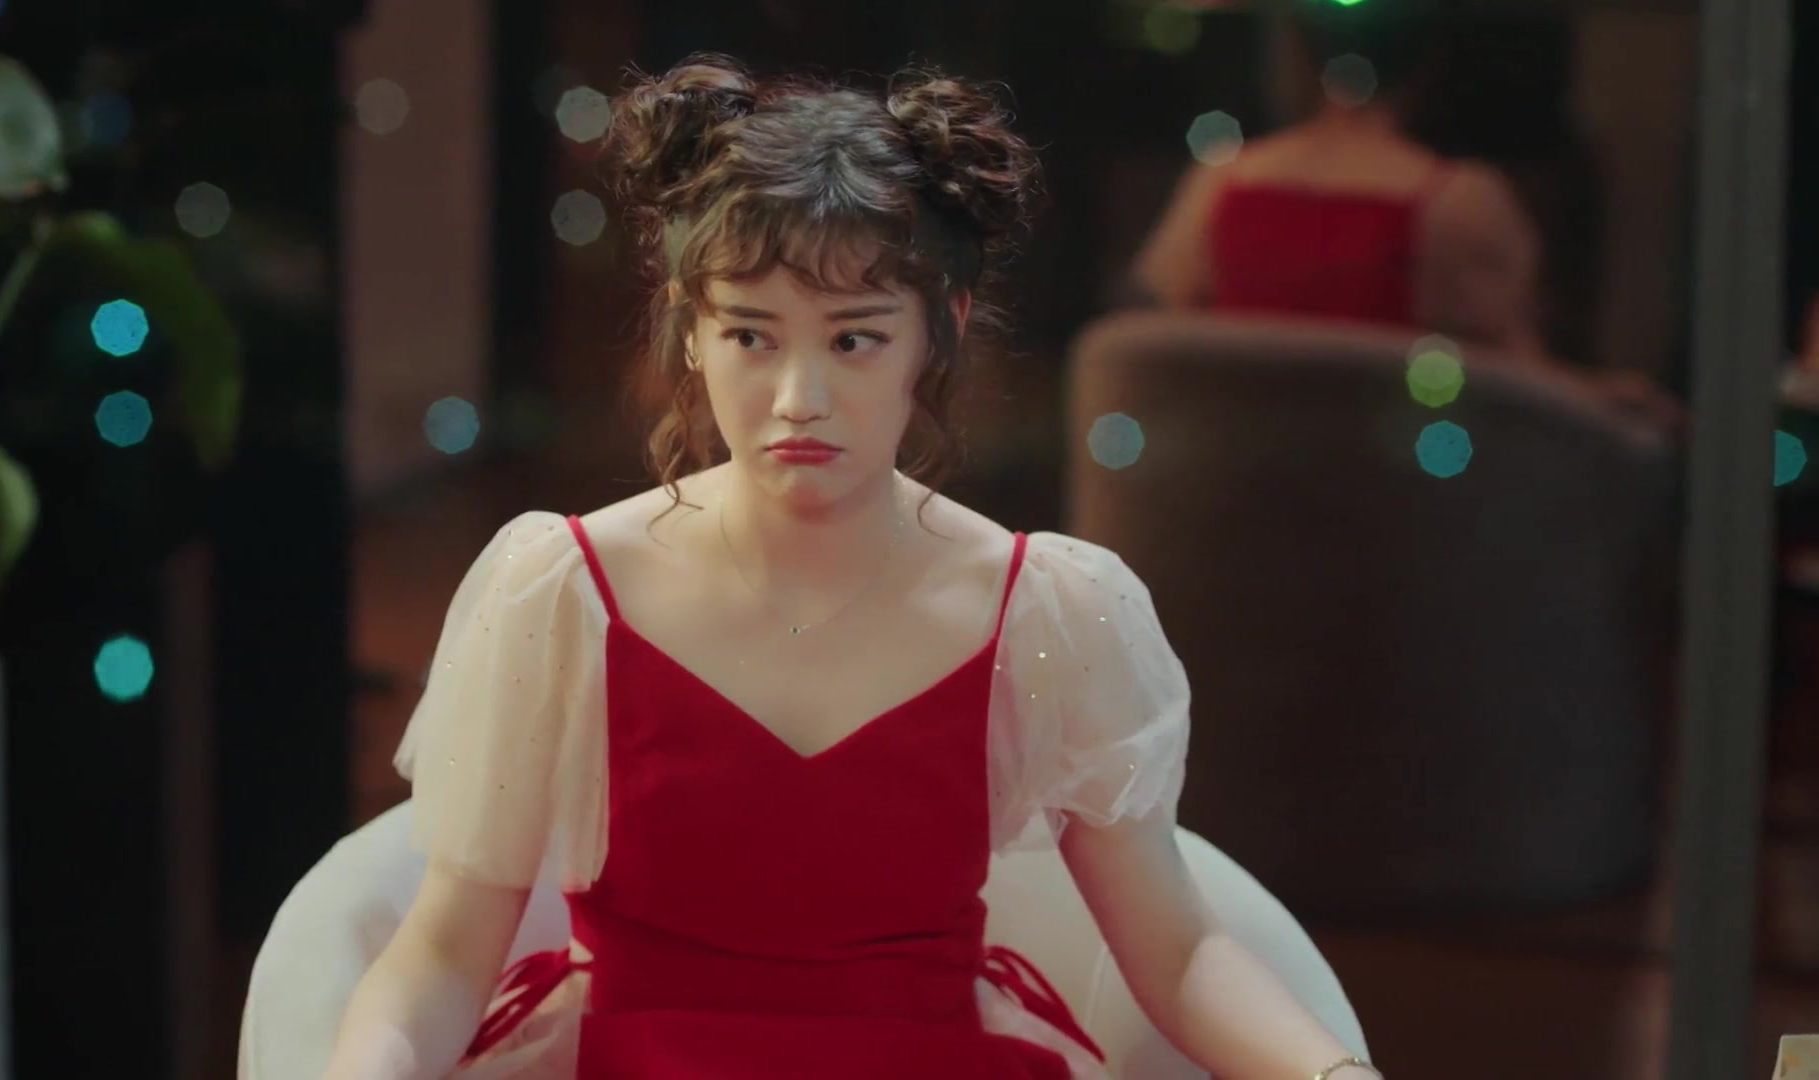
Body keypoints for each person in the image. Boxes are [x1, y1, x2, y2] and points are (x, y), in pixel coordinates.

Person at [323, 54, 1381, 1080]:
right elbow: (445, 952)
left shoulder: (1046, 610)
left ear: (940, 331)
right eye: (751, 336)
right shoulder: (562, 592)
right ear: (691, 332)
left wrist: (1334, 1072)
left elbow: (1180, 953)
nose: (799, 400)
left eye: (853, 341)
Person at [1130, 0, 1543, 357]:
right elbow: (1509, 377)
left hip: (1238, 428)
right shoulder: (1459, 198)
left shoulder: (1220, 181)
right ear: (1431, 60)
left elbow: (1172, 334)